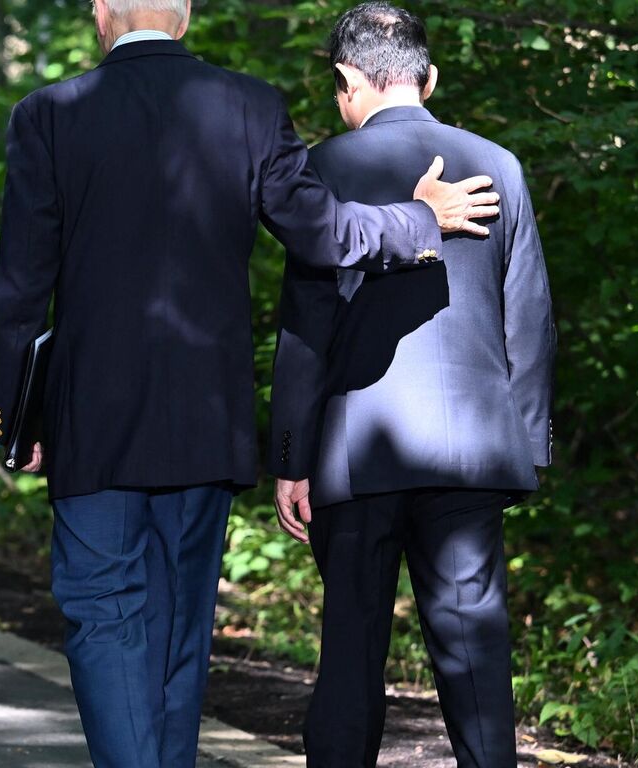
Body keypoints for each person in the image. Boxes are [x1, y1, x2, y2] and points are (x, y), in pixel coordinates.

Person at [0, 0, 502, 765]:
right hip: (205, 416)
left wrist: (16, 416)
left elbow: (20, 285)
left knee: (104, 617)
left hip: (88, 418)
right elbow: (323, 235)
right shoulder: (250, 106)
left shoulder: (48, 115)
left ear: (101, 13)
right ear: (184, 14)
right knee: (181, 629)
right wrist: (415, 219)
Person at [265, 5, 556, 767]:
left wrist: (289, 456)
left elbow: (305, 326)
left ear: (345, 83)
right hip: (473, 453)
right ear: (430, 77)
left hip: (355, 453)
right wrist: (524, 447)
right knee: (476, 661)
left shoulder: (322, 172)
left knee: (351, 656)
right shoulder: (500, 165)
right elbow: (528, 320)